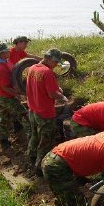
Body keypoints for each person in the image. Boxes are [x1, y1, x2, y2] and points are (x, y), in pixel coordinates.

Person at [26, 48, 68, 176]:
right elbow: (52, 93)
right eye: (55, 62)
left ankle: (31, 157)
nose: (56, 65)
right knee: (45, 142)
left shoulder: (32, 68)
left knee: (34, 135)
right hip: (45, 113)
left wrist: (56, 88)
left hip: (32, 109)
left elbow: (40, 86)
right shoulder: (47, 72)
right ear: (49, 59)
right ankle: (39, 169)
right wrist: (62, 96)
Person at [0, 43, 31, 151]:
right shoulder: (0, 69)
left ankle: (3, 139)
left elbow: (15, 73)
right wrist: (19, 95)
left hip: (5, 94)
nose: (9, 52)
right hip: (5, 96)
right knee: (24, 115)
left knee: (5, 117)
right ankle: (32, 140)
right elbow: (5, 88)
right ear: (1, 54)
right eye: (6, 51)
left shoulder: (6, 61)